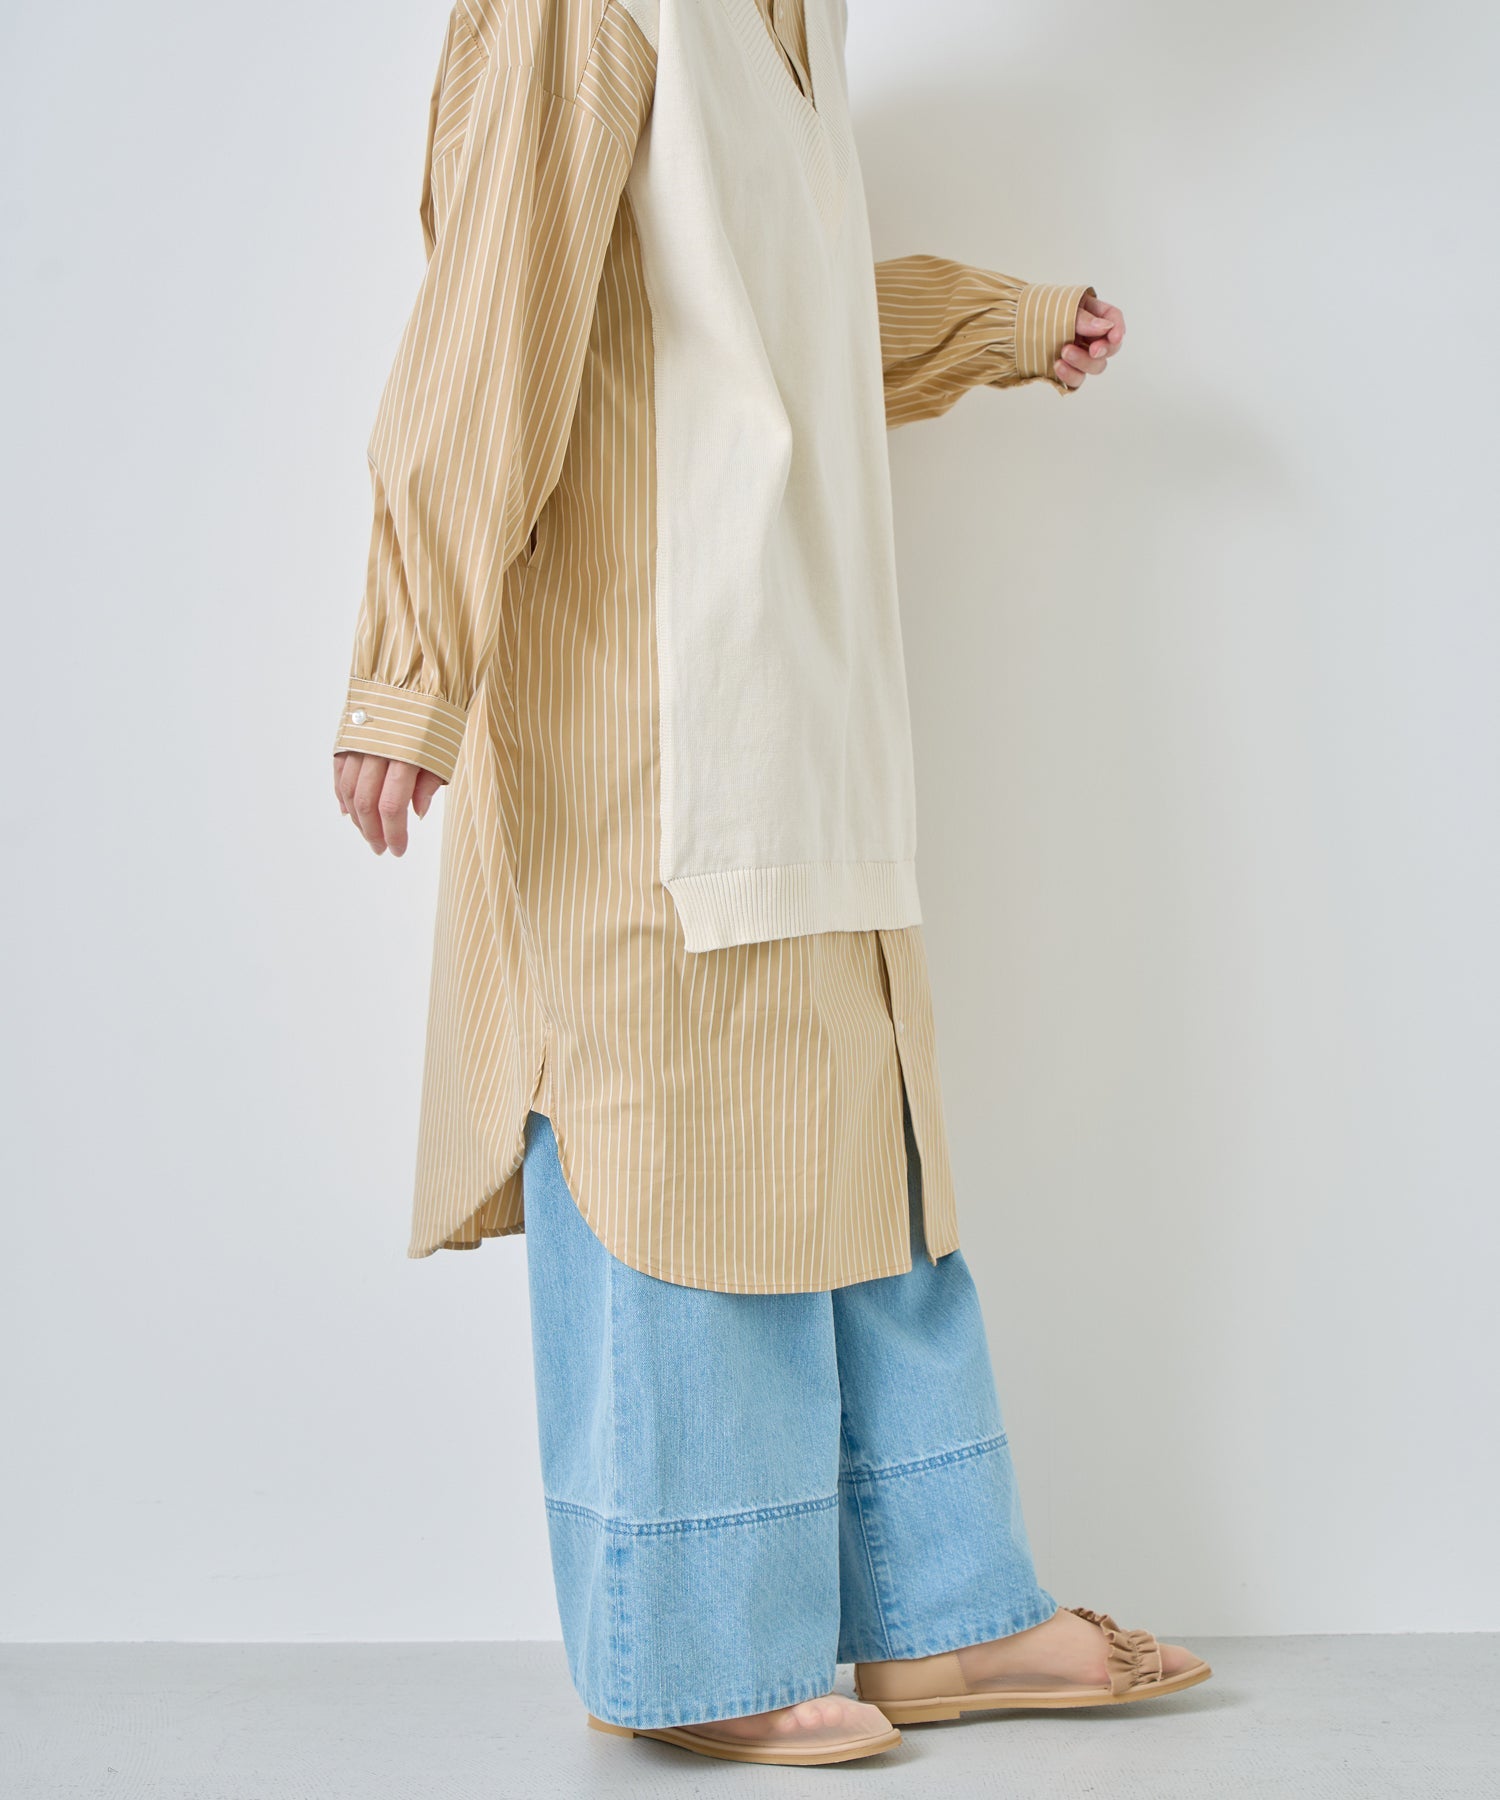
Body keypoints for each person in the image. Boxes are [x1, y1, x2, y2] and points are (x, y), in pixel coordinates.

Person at [331, 0, 1211, 1767]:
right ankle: (701, 1644)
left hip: (805, 693)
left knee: (858, 1148)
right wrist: (408, 675)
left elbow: (757, 323)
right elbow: (491, 328)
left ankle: (941, 1611)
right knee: (680, 1153)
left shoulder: (787, 25)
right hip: (647, 712)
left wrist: (991, 324)